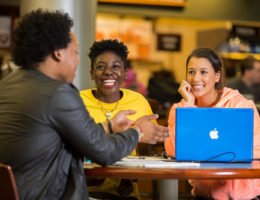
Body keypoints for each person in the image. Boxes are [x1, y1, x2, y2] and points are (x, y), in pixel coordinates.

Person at [0, 9, 169, 200]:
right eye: (75, 53)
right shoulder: (58, 93)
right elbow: (104, 152)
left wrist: (110, 126)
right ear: (58, 53)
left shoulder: (6, 85)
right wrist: (137, 131)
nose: (78, 61)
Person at [164, 48, 260, 200]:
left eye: (203, 72)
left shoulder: (240, 106)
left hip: (244, 196)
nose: (196, 78)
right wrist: (189, 109)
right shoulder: (180, 109)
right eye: (191, 72)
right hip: (203, 196)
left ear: (217, 76)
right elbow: (173, 151)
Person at [80, 39, 154, 199]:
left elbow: (146, 155)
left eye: (116, 66)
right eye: (100, 66)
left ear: (125, 73)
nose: (108, 72)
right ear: (91, 73)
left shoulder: (139, 102)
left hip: (126, 196)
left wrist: (131, 177)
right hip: (85, 193)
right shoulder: (77, 102)